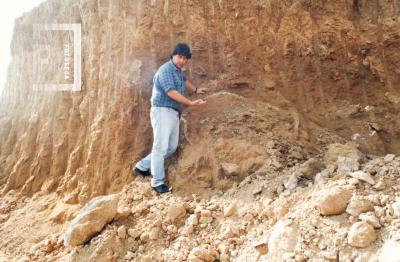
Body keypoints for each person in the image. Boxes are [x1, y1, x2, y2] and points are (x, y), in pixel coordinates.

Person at [133, 43, 207, 194]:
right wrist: (191, 103)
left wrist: (196, 89)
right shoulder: (166, 70)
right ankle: (157, 183)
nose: (182, 61)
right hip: (162, 111)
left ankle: (142, 166)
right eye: (180, 57)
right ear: (173, 55)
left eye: (185, 59)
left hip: (173, 113)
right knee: (160, 147)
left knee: (171, 148)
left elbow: (184, 80)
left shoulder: (177, 72)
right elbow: (170, 92)